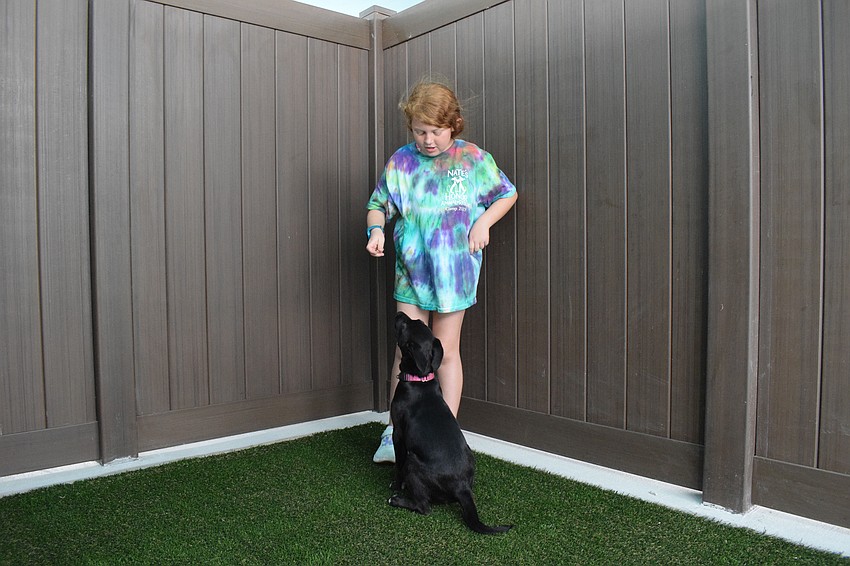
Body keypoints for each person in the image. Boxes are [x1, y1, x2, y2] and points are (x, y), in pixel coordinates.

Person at [365, 80, 518, 463]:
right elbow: (377, 203)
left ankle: (445, 433)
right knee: (406, 353)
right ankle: (394, 432)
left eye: (436, 130)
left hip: (454, 275)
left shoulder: (473, 160)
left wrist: (483, 222)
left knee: (445, 352)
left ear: (455, 124)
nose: (428, 139)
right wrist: (376, 229)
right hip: (411, 273)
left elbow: (507, 193)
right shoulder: (401, 161)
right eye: (420, 131)